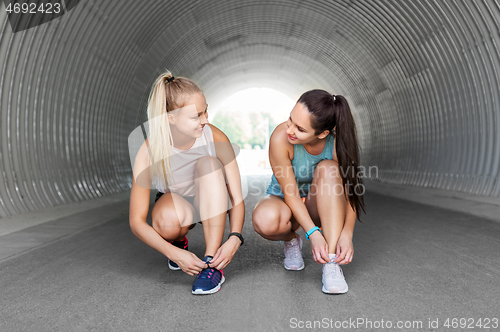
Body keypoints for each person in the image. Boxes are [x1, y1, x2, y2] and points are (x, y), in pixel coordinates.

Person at [129, 71, 245, 295]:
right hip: (177, 205)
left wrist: (235, 238)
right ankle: (178, 241)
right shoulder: (149, 150)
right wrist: (172, 253)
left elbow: (237, 197)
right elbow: (136, 221)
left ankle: (211, 265)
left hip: (212, 200)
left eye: (206, 111)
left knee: (209, 164)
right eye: (196, 116)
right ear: (171, 118)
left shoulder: (215, 137)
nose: (206, 120)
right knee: (165, 222)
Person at [252, 89, 366, 294]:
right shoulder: (280, 137)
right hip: (285, 200)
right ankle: (291, 240)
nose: (290, 130)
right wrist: (313, 234)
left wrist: (346, 235)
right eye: (290, 119)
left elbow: (351, 193)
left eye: (300, 129)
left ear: (322, 133)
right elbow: (291, 194)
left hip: (320, 204)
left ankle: (331, 262)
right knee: (265, 220)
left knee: (329, 168)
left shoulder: (336, 144)